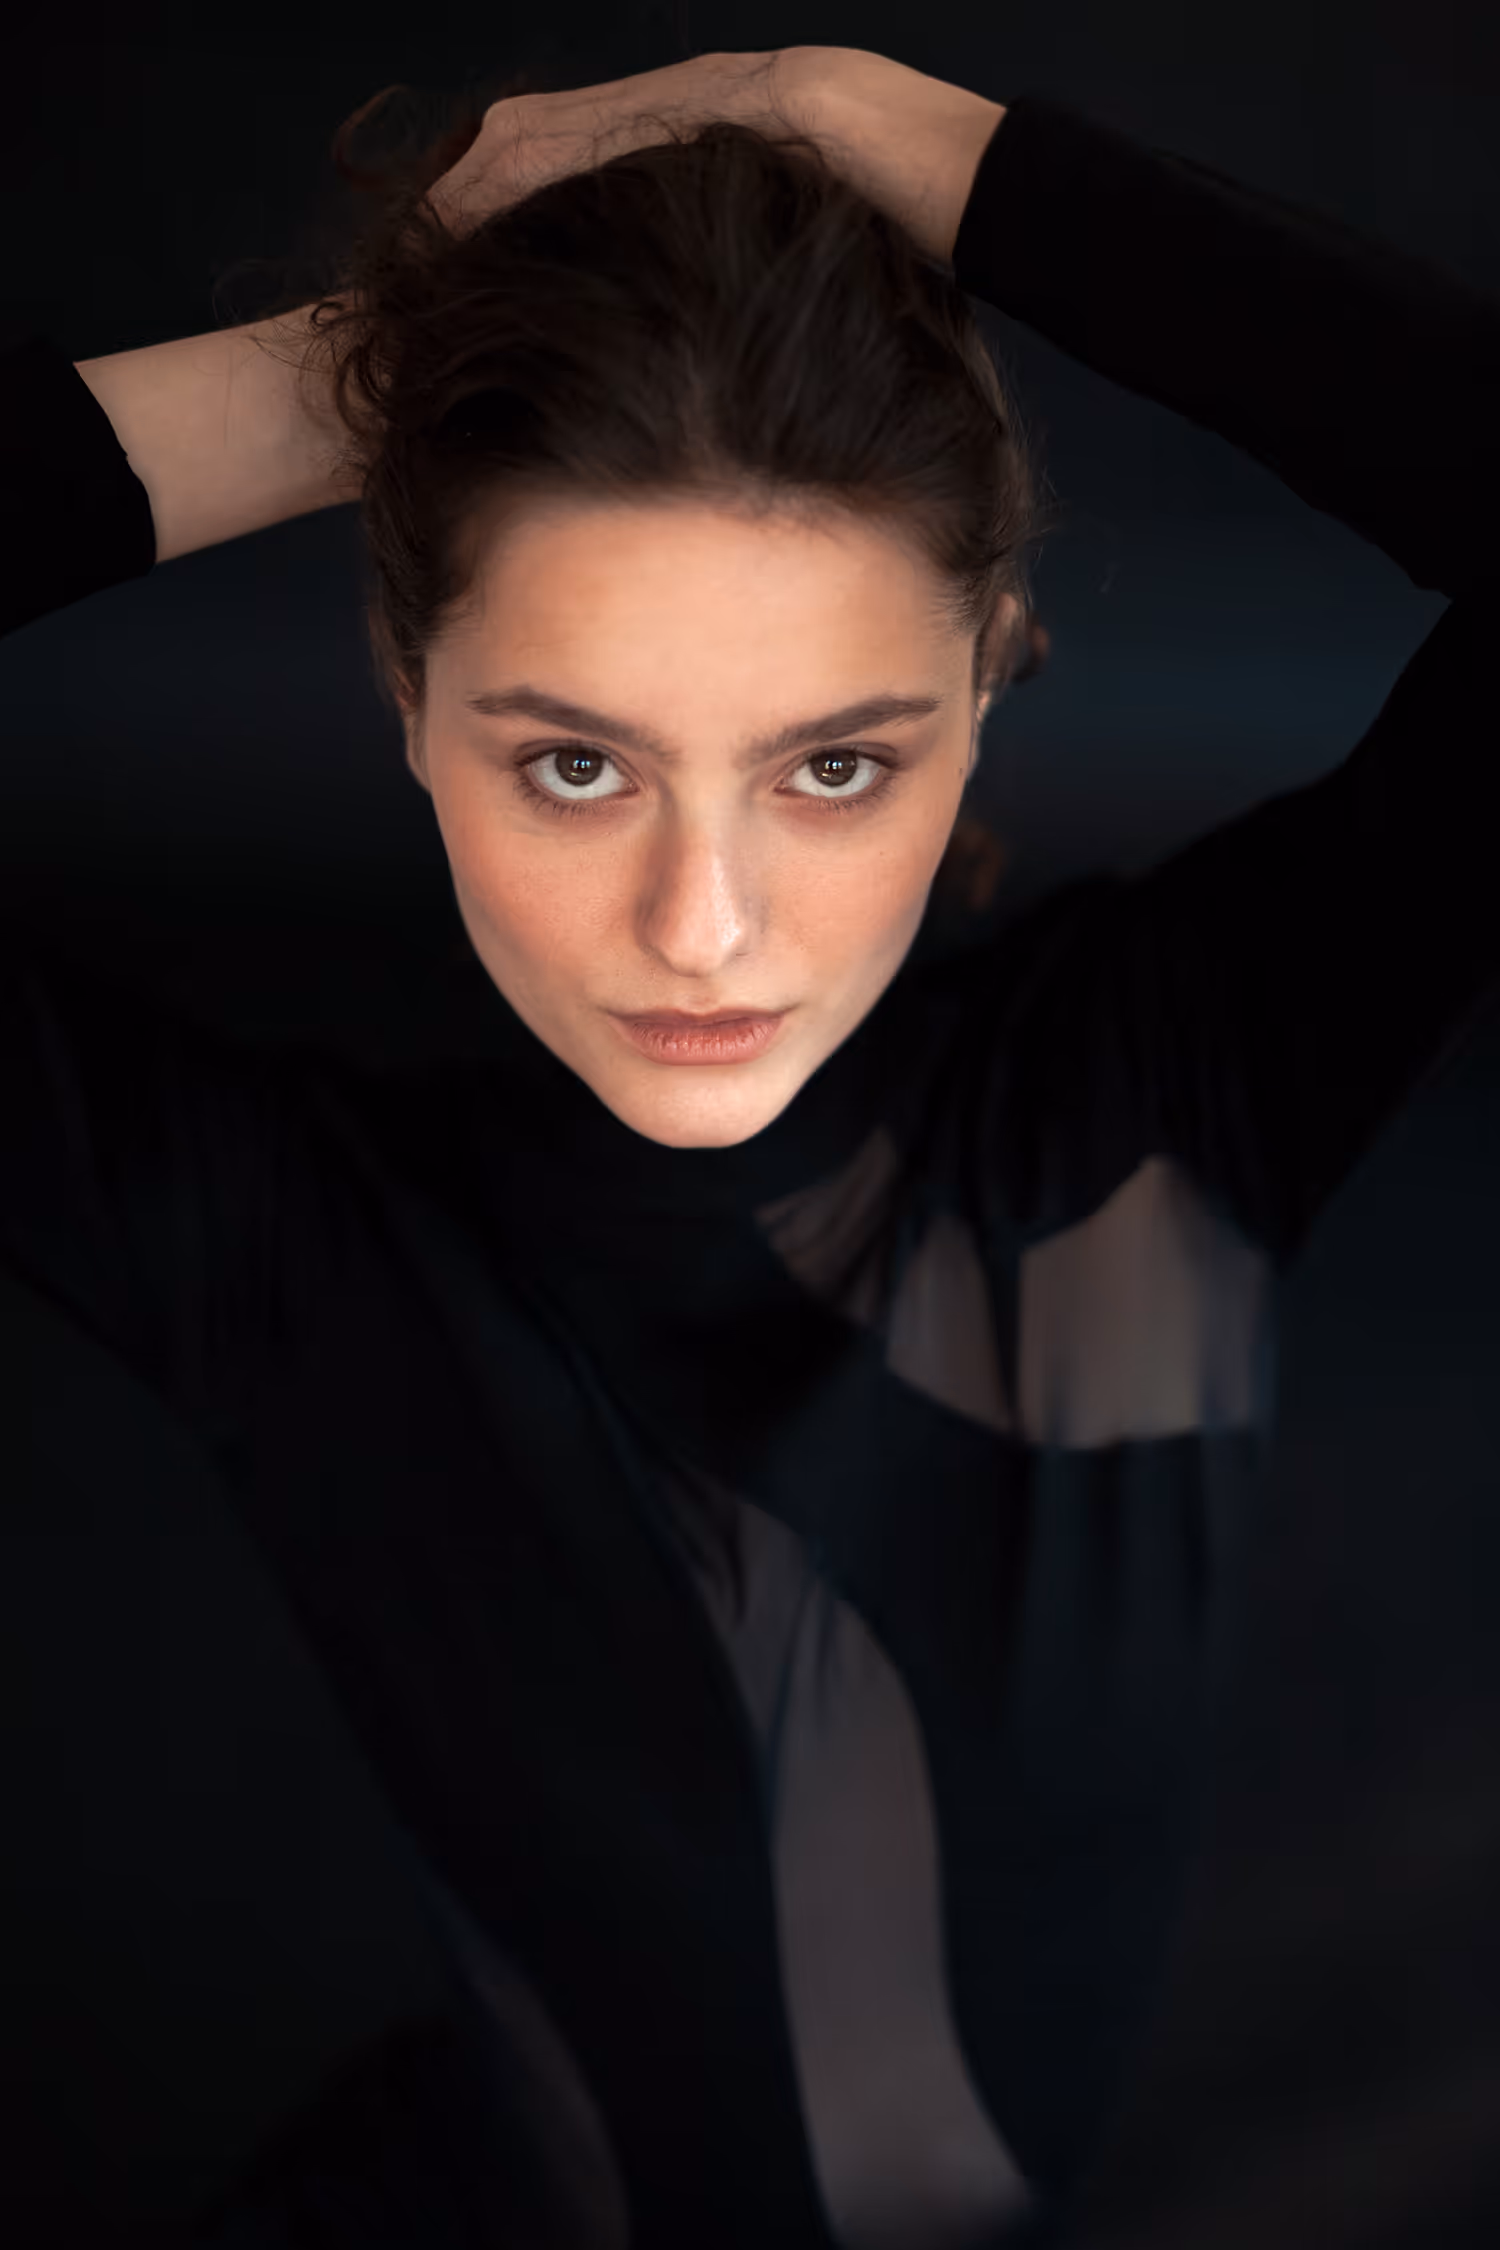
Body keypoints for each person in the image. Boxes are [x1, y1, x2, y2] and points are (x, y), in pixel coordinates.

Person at [0, 40, 1494, 2250]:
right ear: (408, 698)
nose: (703, 930)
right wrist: (355, 380)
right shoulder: (286, 1248)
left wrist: (892, 131)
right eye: (577, 768)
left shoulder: (1171, 1088)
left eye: (833, 768)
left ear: (993, 678)